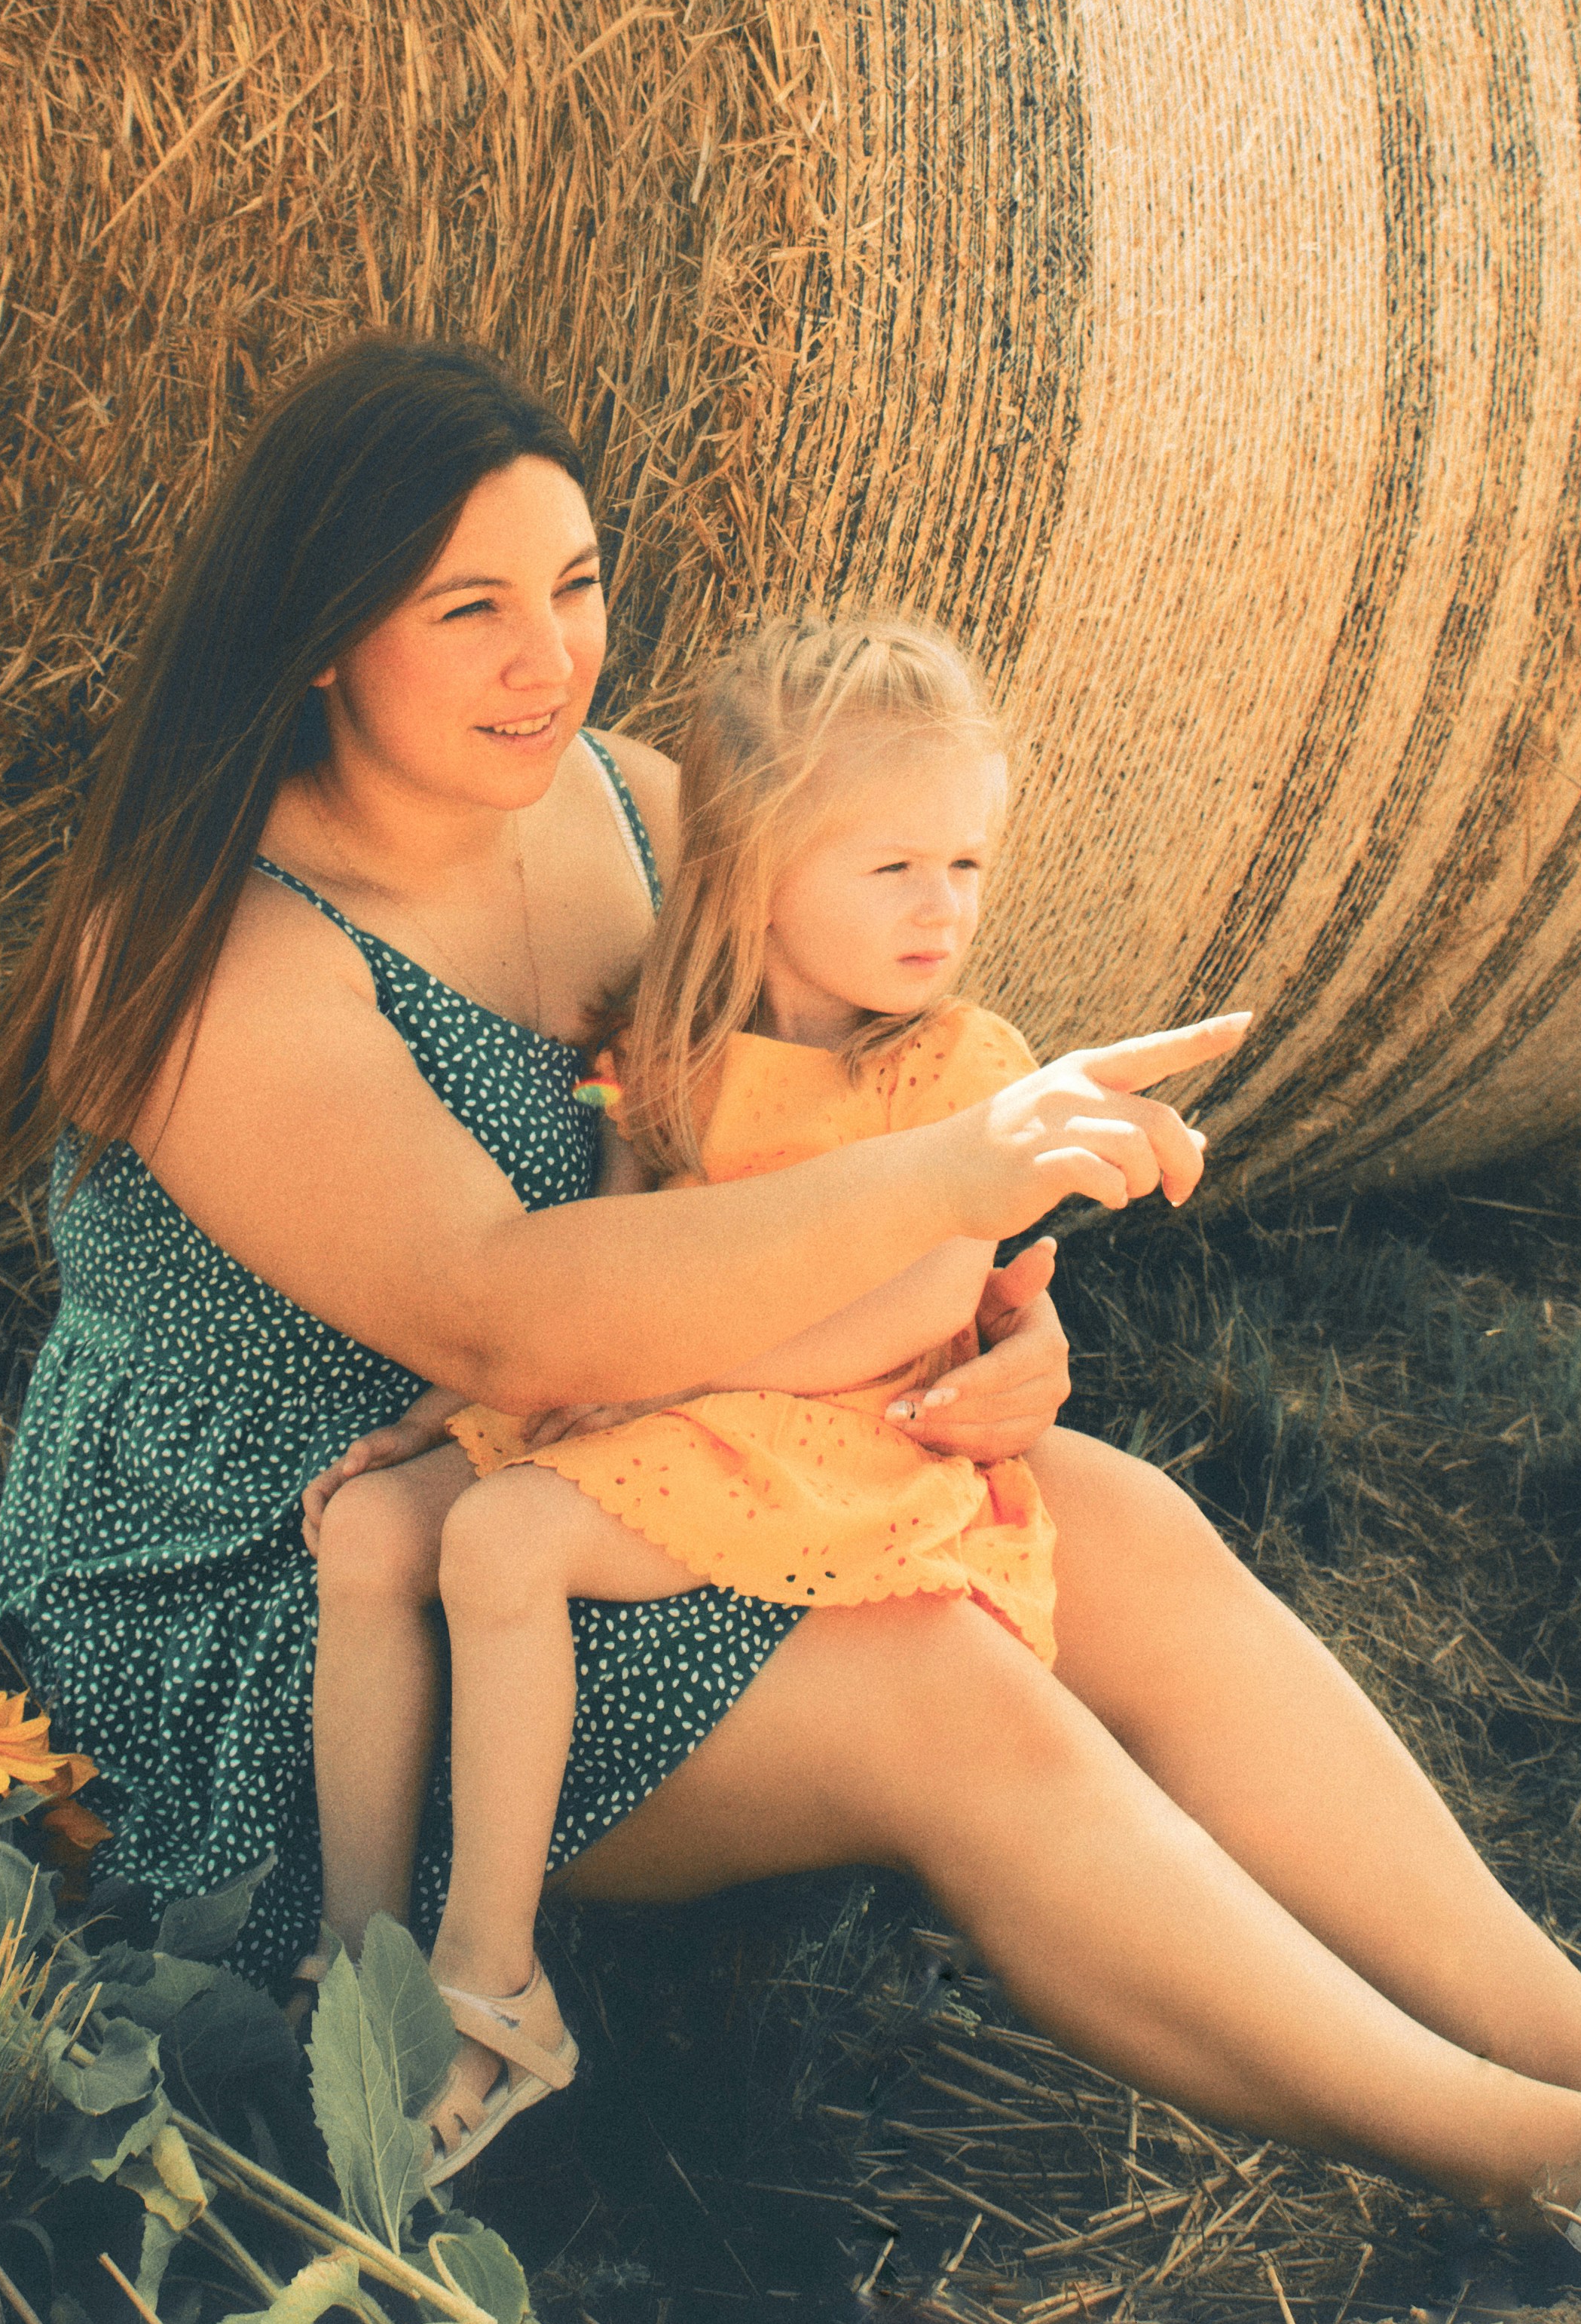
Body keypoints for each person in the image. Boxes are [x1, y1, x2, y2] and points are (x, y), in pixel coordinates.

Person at [0, 333, 1581, 2299]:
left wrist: (988, 1326)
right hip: (290, 1596)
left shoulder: (637, 806)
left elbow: (793, 1145)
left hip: (628, 1445)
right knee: (943, 1676)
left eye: (576, 583)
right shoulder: (213, 941)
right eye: (465, 605)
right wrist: (959, 1174)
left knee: (1106, 1515)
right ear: (322, 628)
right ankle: (1554, 2166)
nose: (549, 654)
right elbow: (503, 1313)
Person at [300, 610, 1070, 2166]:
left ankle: (489, 1988)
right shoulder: (664, 1045)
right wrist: (459, 1415)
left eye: (965, 866)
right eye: (892, 867)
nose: (943, 910)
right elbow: (599, 1255)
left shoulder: (959, 1070)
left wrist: (642, 1380)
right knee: (375, 1531)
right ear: (754, 866)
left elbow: (911, 1312)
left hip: (823, 1431)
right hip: (654, 1396)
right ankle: (349, 1957)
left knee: (505, 1544)